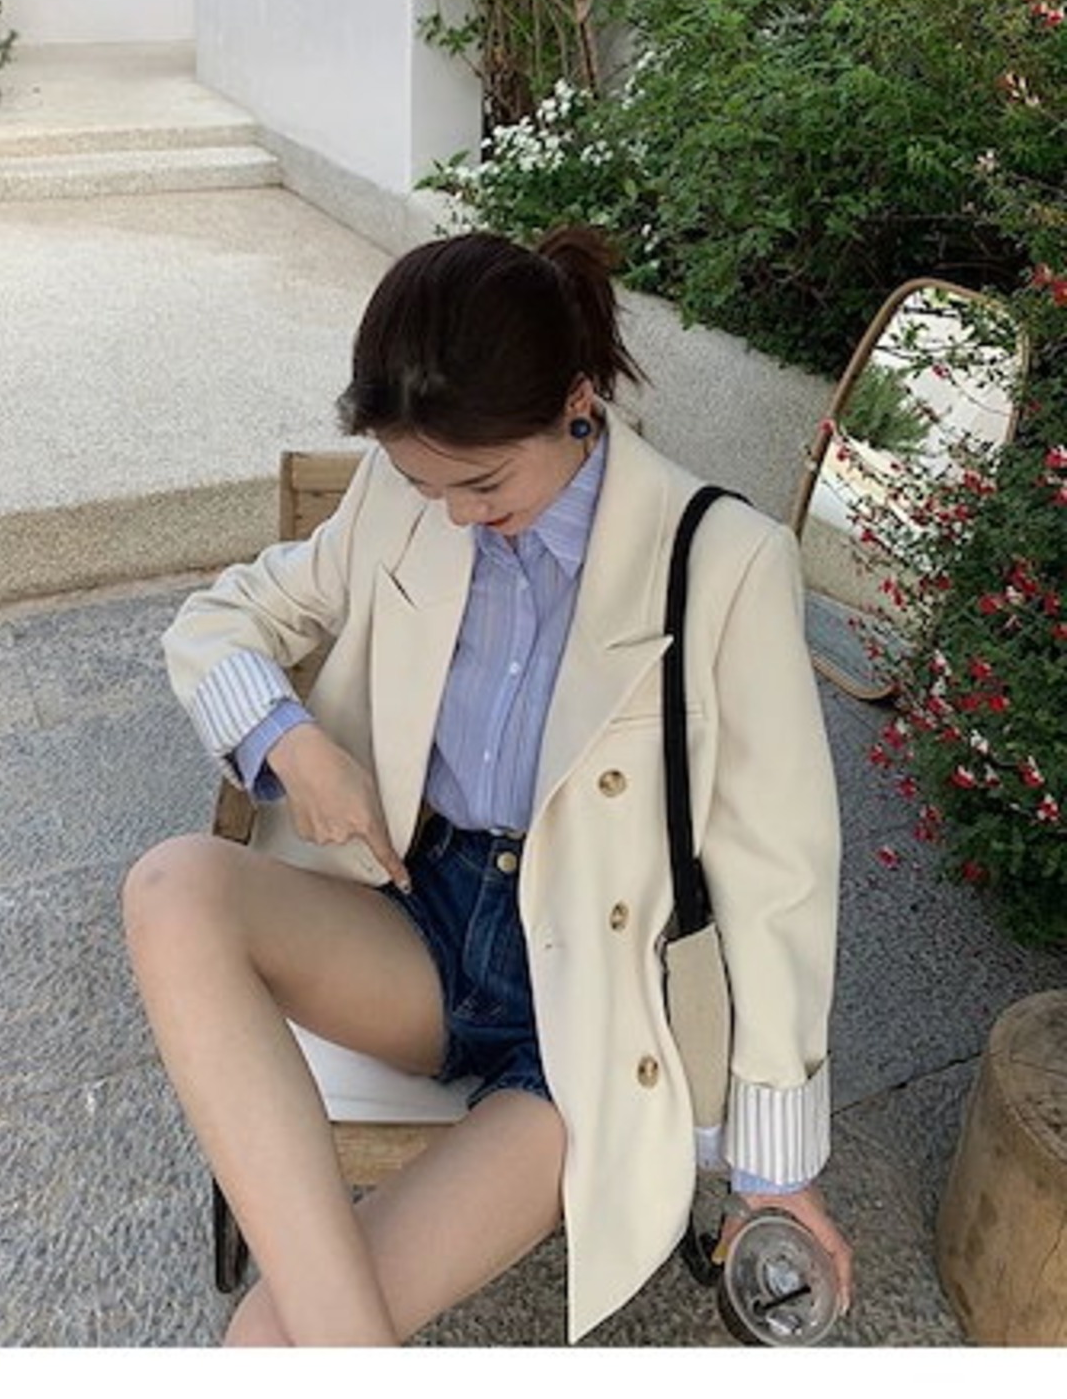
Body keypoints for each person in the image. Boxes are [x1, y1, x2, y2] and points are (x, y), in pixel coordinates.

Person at [123, 225, 853, 1347]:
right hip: (418, 919)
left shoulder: (720, 559)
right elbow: (224, 617)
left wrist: (776, 1167)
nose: (455, 512)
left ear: (576, 402)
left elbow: (780, 875)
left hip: (588, 1010)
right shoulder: (398, 494)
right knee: (174, 884)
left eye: (483, 481)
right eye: (427, 482)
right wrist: (292, 743)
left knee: (265, 1344)